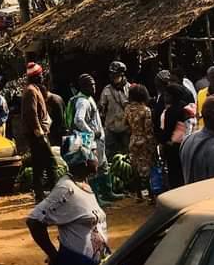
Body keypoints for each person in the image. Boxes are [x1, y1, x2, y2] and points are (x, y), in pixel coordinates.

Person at [26, 140, 108, 265]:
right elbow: (34, 221)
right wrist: (54, 255)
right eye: (94, 155)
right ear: (85, 161)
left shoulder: (85, 185)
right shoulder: (66, 189)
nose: (97, 159)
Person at [66, 73, 121, 205]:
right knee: (94, 168)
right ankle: (97, 197)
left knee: (103, 164)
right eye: (90, 85)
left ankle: (107, 192)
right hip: (90, 140)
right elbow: (78, 120)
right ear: (83, 86)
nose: (93, 87)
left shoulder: (88, 98)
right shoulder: (82, 101)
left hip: (97, 139)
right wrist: (91, 132)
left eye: (94, 84)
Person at [21, 63, 56, 202]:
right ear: (35, 77)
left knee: (38, 164)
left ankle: (40, 195)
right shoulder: (31, 91)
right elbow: (31, 114)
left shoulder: (34, 89)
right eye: (40, 75)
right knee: (51, 162)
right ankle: (53, 193)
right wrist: (39, 132)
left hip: (37, 133)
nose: (42, 77)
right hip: (37, 134)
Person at [159, 83, 196, 190]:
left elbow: (167, 131)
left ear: (172, 96)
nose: (165, 98)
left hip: (173, 147)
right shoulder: (186, 107)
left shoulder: (171, 111)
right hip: (187, 144)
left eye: (167, 95)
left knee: (175, 174)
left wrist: (163, 142)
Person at [125, 84, 156, 201]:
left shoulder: (128, 109)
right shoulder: (146, 110)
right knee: (147, 168)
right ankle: (151, 195)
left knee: (135, 168)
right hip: (144, 141)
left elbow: (125, 124)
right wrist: (152, 145)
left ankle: (139, 195)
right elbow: (148, 129)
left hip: (133, 140)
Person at [98, 61, 131, 159]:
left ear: (121, 74)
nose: (112, 76)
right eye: (111, 74)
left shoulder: (130, 88)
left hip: (126, 128)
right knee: (110, 155)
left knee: (127, 154)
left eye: (115, 74)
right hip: (111, 128)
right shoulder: (107, 90)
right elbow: (101, 108)